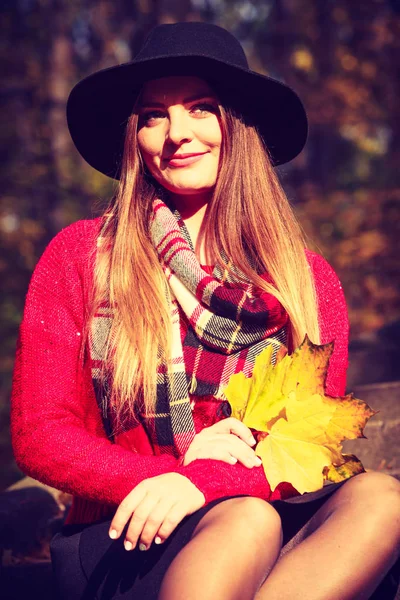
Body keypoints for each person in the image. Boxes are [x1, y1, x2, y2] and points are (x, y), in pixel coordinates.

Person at [11, 21, 400, 600]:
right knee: (245, 521)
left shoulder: (305, 280)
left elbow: (307, 440)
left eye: (201, 108)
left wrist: (207, 480)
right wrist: (168, 480)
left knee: (382, 500)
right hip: (129, 527)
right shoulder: (83, 256)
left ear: (237, 125)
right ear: (134, 137)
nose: (176, 134)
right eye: (152, 115)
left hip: (264, 506)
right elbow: (40, 431)